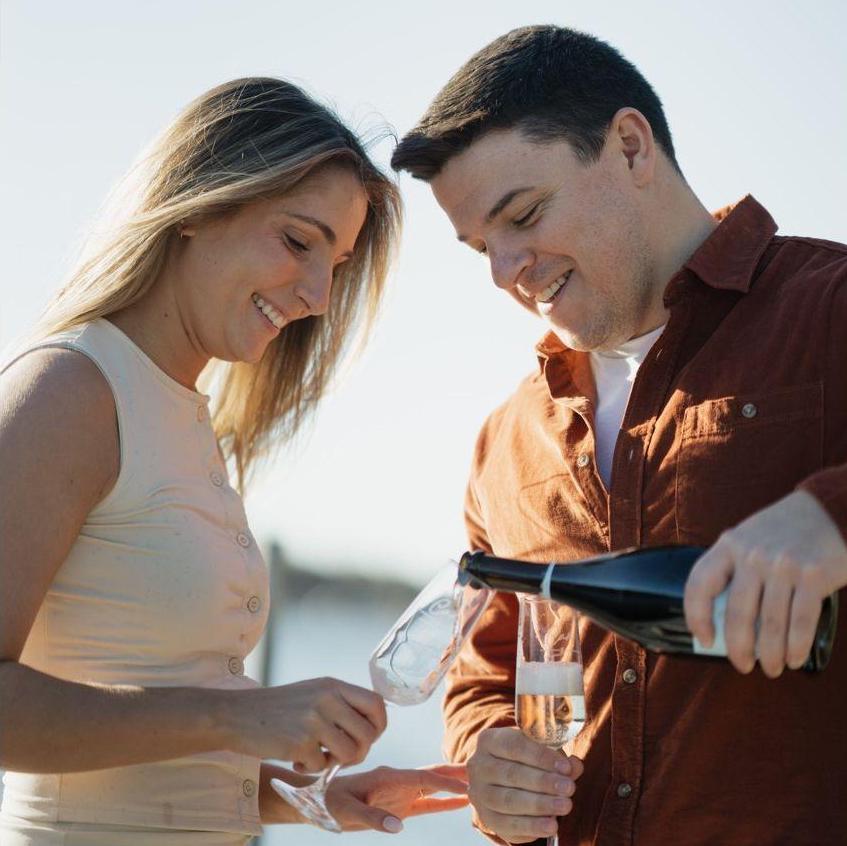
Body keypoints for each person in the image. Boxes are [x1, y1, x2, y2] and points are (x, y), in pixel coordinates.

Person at [391, 24, 847, 846]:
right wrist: (487, 758)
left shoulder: (830, 307)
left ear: (631, 147)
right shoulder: (507, 440)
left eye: (523, 214)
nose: (502, 271)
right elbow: (484, 673)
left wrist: (830, 516)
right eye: (481, 246)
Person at [0, 77, 467, 844]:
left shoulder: (186, 418)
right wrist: (239, 716)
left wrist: (308, 796)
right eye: (298, 242)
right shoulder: (69, 389)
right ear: (199, 205)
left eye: (335, 263)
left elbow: (157, 759)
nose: (318, 294)